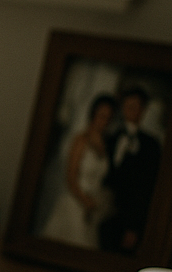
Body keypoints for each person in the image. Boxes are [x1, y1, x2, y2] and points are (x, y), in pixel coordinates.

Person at [39, 94, 116, 248]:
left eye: (108, 118)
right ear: (93, 115)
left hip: (94, 205)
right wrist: (85, 201)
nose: (104, 121)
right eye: (101, 116)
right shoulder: (81, 140)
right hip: (75, 202)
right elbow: (71, 177)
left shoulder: (107, 146)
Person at [99, 86, 164, 254]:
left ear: (143, 110)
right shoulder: (110, 138)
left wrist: (134, 227)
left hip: (130, 217)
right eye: (128, 106)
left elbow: (146, 188)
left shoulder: (150, 145)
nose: (131, 111)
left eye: (136, 107)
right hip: (105, 211)